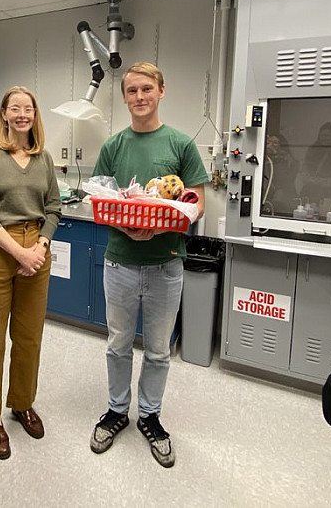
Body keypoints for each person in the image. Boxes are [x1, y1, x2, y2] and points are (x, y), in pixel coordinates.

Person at [89, 62, 208, 468]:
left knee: (158, 350)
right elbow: (99, 199)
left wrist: (158, 229)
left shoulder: (180, 145)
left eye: (146, 89)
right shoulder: (113, 146)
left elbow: (196, 203)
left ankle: (151, 416)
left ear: (162, 91)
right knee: (118, 344)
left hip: (166, 264)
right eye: (132, 91)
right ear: (124, 97)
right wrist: (128, 223)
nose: (139, 97)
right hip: (120, 263)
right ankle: (117, 410)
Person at [0, 86, 61, 460]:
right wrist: (19, 251)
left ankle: (21, 403)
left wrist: (40, 246)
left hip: (36, 250)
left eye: (28, 109)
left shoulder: (43, 158)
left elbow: (53, 208)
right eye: (14, 108)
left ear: (35, 115)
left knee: (29, 337)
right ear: (3, 114)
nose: (22, 114)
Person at [299, 121, 331, 209]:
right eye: (322, 135)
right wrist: (321, 181)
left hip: (328, 198)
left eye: (327, 136)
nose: (324, 138)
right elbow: (304, 176)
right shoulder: (312, 150)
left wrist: (314, 181)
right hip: (308, 195)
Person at [263, 133, 299, 212]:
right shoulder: (264, 159)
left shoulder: (289, 161)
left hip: (283, 199)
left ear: (281, 146)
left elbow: (283, 180)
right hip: (266, 197)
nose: (271, 145)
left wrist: (276, 157)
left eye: (275, 143)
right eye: (268, 142)